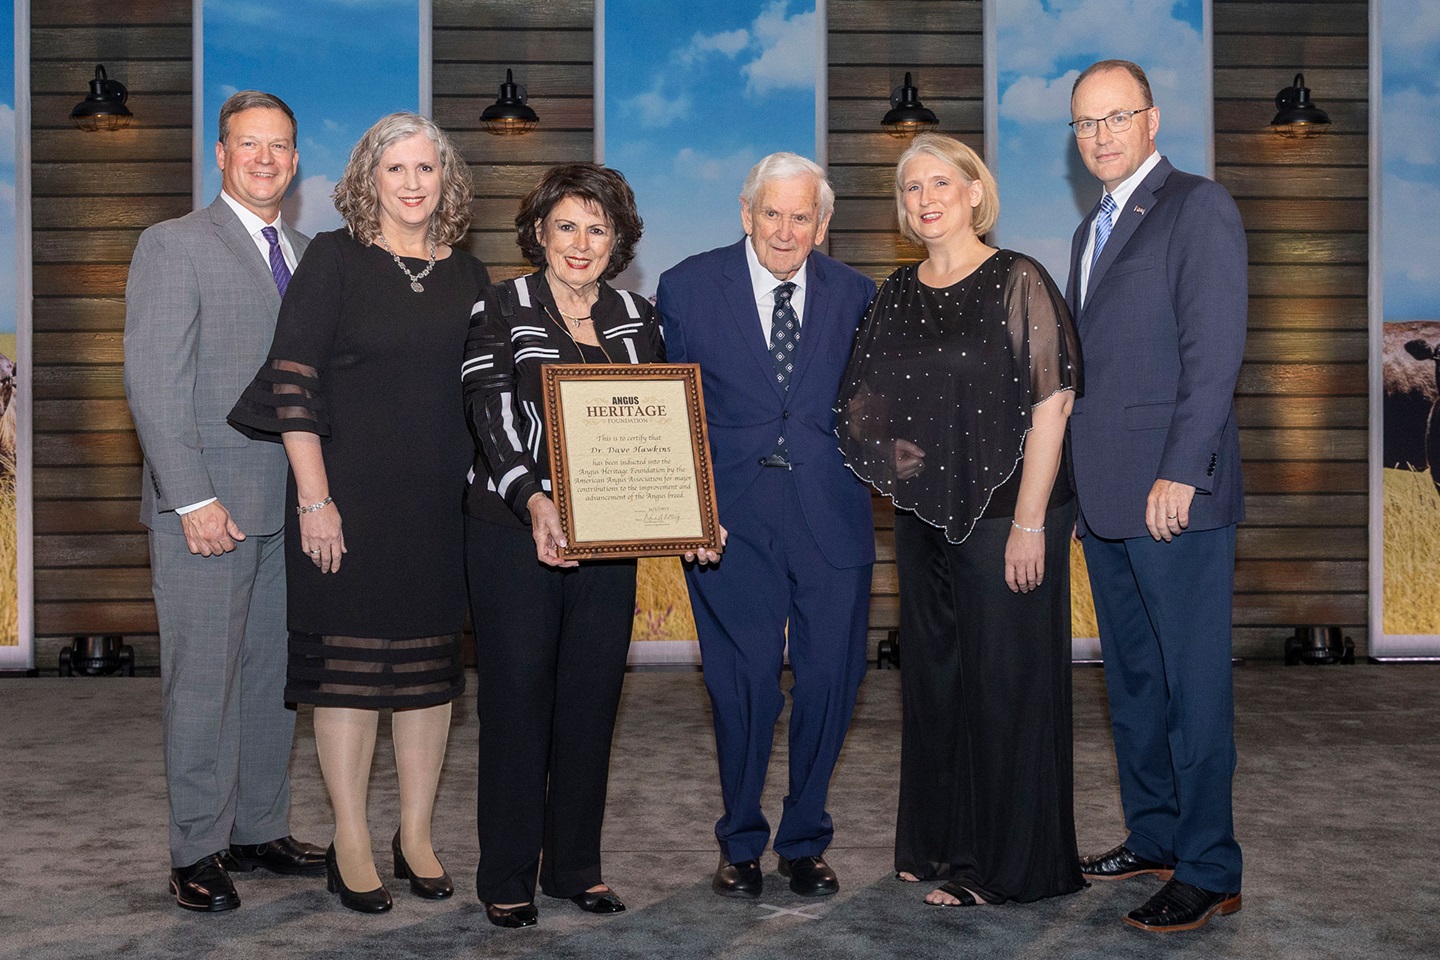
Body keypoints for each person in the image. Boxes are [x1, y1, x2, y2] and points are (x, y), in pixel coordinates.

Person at [228, 112, 489, 914]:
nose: (413, 184)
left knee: (426, 679)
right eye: (397, 169)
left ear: (445, 180)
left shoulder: (471, 275)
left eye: (427, 169)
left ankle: (414, 835)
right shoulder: (334, 261)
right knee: (345, 678)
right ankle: (349, 838)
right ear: (367, 178)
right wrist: (315, 499)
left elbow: (490, 393)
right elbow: (294, 383)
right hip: (345, 502)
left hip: (442, 508)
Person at [461, 162, 716, 929]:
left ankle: (575, 867)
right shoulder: (502, 306)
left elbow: (664, 429)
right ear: (538, 232)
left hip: (612, 543)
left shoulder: (639, 317)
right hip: (514, 534)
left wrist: (695, 511)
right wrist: (534, 499)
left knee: (590, 704)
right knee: (516, 702)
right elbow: (490, 413)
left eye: (597, 228)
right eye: (565, 225)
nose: (580, 242)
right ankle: (507, 874)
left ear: (619, 240)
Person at [836, 133, 1083, 907]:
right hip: (926, 515)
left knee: (1006, 684)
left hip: (1010, 509)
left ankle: (1011, 868)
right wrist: (898, 455)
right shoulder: (897, 292)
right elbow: (861, 402)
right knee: (937, 679)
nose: (926, 199)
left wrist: (1032, 521)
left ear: (975, 191)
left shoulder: (1019, 280)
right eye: (912, 188)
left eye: (941, 182)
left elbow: (1053, 401)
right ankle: (940, 842)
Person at [124, 90, 325, 913]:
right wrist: (191, 497)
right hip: (208, 510)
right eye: (250, 145)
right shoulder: (174, 245)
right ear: (220, 153)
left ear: (296, 158)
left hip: (292, 506)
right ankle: (197, 847)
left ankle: (258, 826)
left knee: (272, 677)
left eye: (280, 146)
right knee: (203, 682)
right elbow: (154, 382)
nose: (266, 160)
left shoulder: (314, 255)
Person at [656, 153, 876, 900]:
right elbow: (667, 410)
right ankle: (741, 839)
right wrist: (686, 509)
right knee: (744, 681)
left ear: (823, 224)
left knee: (829, 679)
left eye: (802, 216)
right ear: (747, 213)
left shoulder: (858, 295)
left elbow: (878, 410)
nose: (786, 230)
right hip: (730, 518)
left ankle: (806, 839)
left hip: (833, 513)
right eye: (772, 214)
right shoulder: (686, 287)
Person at [1065, 59, 1247, 932]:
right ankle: (1154, 834)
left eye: (1116, 117)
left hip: (1174, 497)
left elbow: (1214, 355)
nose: (1100, 135)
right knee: (1135, 683)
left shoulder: (1197, 206)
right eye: (1085, 123)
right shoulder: (1086, 231)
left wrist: (1182, 468)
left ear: (1152, 119)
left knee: (1192, 688)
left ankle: (1210, 866)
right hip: (1105, 501)